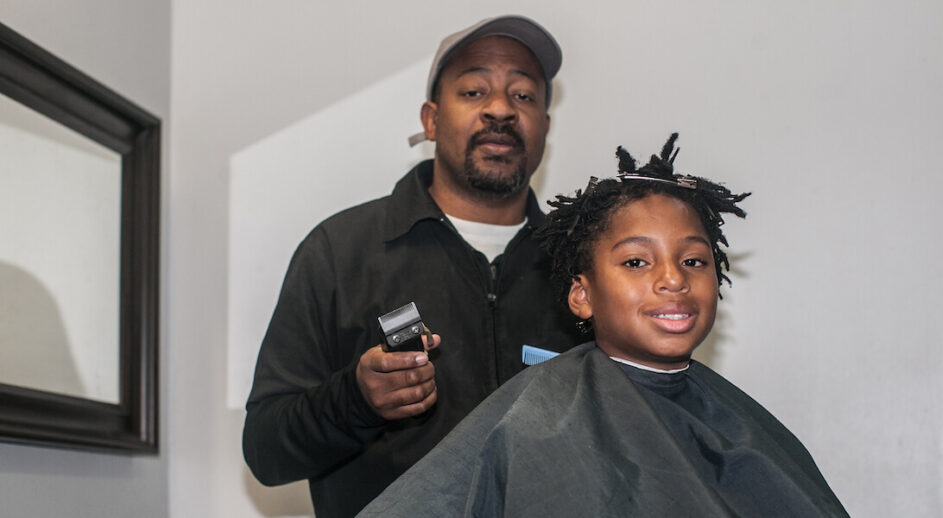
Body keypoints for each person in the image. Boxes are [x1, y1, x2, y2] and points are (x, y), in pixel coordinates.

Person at [358, 134, 850, 517]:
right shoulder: (537, 421)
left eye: (695, 261)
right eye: (637, 262)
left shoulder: (747, 425)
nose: (673, 279)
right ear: (583, 295)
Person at [242, 15, 579, 517]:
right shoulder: (341, 251)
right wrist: (356, 400)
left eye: (523, 96)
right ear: (431, 119)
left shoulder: (582, 266)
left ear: (545, 128)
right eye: (473, 91)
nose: (500, 110)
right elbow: (266, 451)